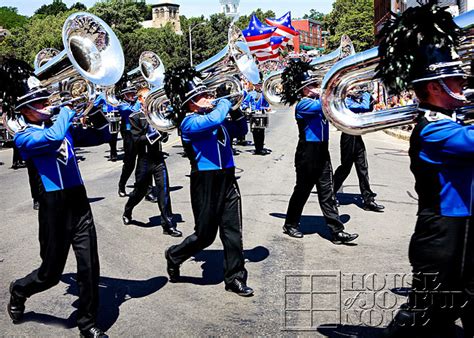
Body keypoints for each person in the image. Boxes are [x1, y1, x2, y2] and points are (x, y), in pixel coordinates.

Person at [375, 4, 473, 337]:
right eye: (454, 78)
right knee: (425, 315)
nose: (462, 82)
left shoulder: (450, 120)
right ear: (433, 87)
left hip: (463, 228)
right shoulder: (433, 130)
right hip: (441, 234)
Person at [1, 59, 109, 337]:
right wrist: (67, 109)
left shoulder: (57, 124)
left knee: (89, 266)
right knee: (50, 273)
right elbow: (53, 137)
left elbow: (97, 138)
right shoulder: (24, 137)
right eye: (39, 103)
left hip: (79, 201)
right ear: (24, 110)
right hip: (54, 207)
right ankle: (20, 289)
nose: (47, 104)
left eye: (45, 100)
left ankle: (88, 323)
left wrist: (95, 110)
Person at [163, 65, 253, 296]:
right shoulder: (188, 123)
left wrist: (236, 109)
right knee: (204, 235)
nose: (208, 97)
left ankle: (235, 278)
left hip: (228, 177)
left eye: (207, 94)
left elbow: (241, 129)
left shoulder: (216, 117)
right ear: (190, 103)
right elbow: (215, 118)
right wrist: (224, 102)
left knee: (233, 231)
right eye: (201, 96)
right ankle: (174, 255)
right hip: (205, 181)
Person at [280, 59, 358, 244]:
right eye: (312, 85)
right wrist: (333, 91)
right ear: (303, 90)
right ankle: (290, 224)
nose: (316, 87)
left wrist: (356, 95)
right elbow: (324, 105)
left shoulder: (318, 100)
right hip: (307, 152)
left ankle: (337, 231)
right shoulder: (303, 104)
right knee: (302, 190)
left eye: (316, 84)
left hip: (322, 151)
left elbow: (356, 107)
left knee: (327, 192)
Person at [122, 87, 182, 237]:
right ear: (141, 99)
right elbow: (136, 140)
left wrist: (165, 131)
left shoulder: (157, 115)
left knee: (164, 190)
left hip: (158, 157)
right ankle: (128, 210)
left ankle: (168, 225)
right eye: (147, 97)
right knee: (139, 192)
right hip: (144, 160)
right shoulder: (135, 117)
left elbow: (165, 138)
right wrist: (154, 134)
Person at [332, 89, 385, 212]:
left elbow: (369, 107)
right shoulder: (344, 101)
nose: (355, 91)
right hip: (348, 135)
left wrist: (371, 99)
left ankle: (368, 200)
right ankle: (330, 193)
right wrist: (366, 93)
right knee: (345, 168)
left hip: (356, 134)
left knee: (363, 168)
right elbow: (364, 107)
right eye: (351, 89)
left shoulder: (352, 99)